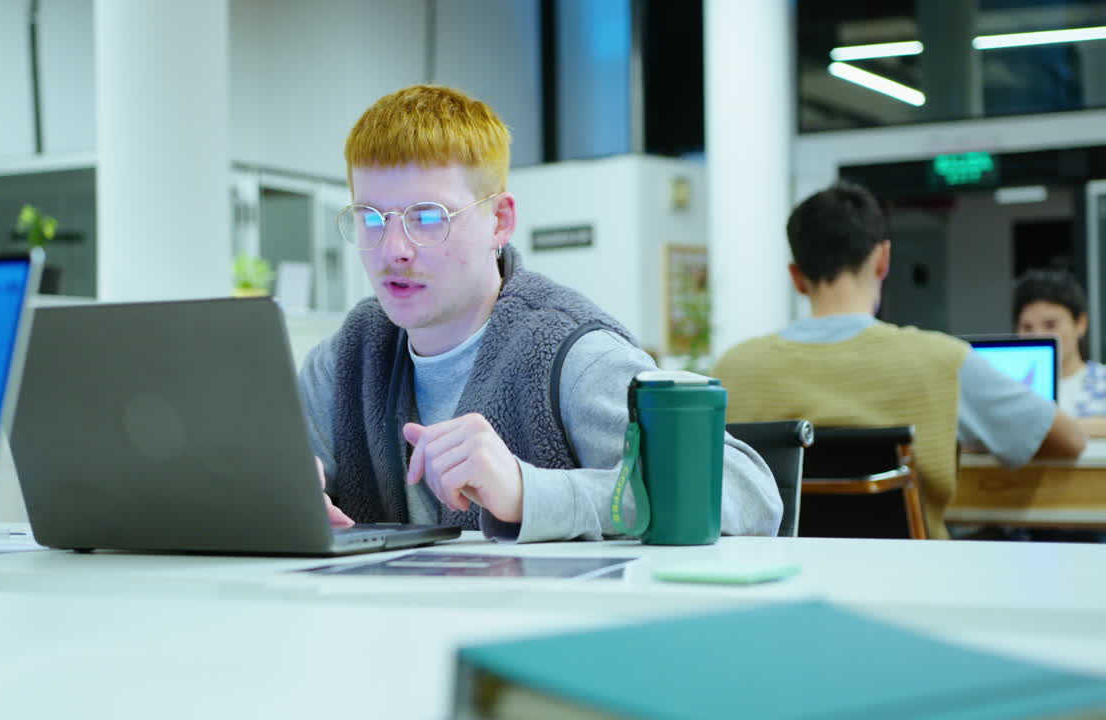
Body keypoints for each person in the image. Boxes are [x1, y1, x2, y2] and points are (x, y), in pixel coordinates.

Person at [297, 84, 782, 541]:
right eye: (371, 219)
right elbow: (270, 482)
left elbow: (749, 494)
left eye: (428, 219)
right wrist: (288, 502)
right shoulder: (345, 359)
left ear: (500, 222)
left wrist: (530, 493)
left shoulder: (569, 352)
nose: (394, 250)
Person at [713, 181, 1085, 540]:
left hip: (781, 586)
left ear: (796, 276)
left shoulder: (731, 370)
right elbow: (1069, 439)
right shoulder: (943, 360)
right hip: (914, 587)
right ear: (883, 259)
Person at [1014, 269, 1106, 437]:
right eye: (1027, 327)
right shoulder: (1010, 386)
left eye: (1050, 325)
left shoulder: (1103, 381)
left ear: (1080, 324)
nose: (1037, 336)